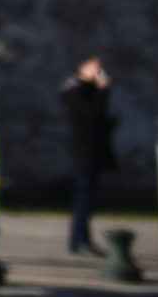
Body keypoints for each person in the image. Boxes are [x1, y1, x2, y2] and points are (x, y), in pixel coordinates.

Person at [59, 56, 116, 256]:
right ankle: (80, 240)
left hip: (91, 152)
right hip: (84, 153)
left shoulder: (85, 90)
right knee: (84, 197)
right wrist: (102, 91)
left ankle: (80, 240)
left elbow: (97, 118)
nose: (100, 74)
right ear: (83, 68)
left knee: (87, 197)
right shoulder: (76, 91)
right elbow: (90, 116)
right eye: (96, 69)